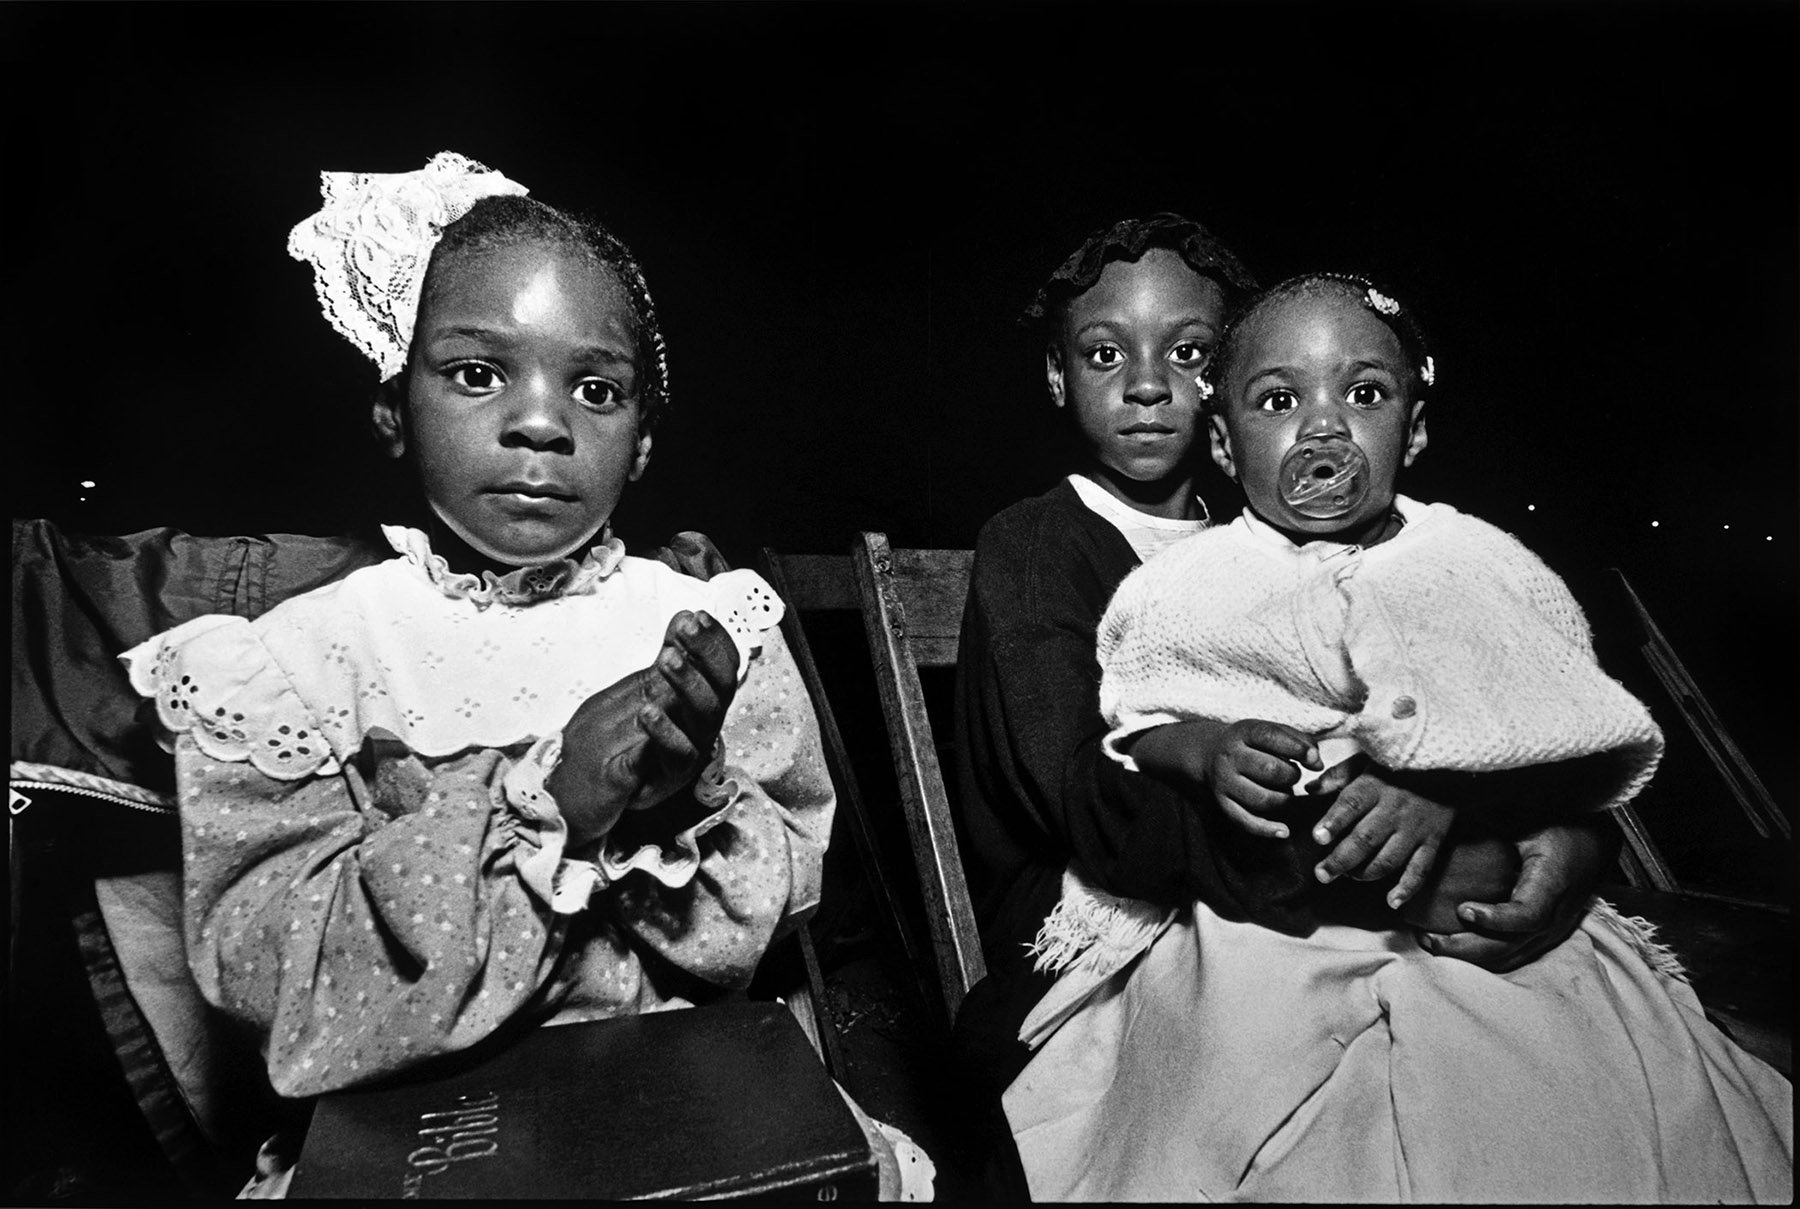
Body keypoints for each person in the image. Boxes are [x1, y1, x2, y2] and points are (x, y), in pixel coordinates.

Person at [120, 153, 931, 1199]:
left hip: (693, 1115)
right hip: (418, 1146)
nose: (541, 422)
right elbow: (281, 984)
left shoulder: (702, 626)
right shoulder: (293, 667)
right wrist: (549, 802)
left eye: (595, 389)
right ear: (391, 411)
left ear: (639, 443)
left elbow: (784, 903)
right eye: (476, 372)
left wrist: (683, 804)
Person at [1002, 271, 1793, 1201]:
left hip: (1473, 919)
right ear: (1227, 438)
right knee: (1252, 1101)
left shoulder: (1474, 564)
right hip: (1266, 930)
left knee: (1566, 1092)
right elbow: (1137, 722)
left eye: (1365, 394)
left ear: (1414, 428)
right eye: (1282, 399)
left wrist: (1456, 794)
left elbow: (1556, 730)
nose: (1325, 428)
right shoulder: (1187, 581)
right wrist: (1208, 747)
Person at [952, 215, 1617, 1100]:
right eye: (1105, 356)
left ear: (1227, 389)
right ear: (1056, 374)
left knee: (1545, 1060)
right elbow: (1097, 806)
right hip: (1111, 930)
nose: (1148, 387)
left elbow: (1459, 711)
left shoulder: (1276, 540)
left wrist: (1566, 836)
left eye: (1188, 355)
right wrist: (1393, 856)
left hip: (1309, 901)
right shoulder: (1038, 545)